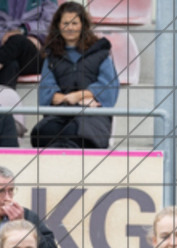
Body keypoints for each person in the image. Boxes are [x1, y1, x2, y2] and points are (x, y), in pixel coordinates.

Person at [31, 2, 118, 149]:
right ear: (58, 26)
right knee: (43, 133)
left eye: (74, 23)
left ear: (83, 25)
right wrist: (77, 98)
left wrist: (76, 96)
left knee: (75, 134)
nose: (70, 28)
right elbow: (47, 91)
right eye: (65, 23)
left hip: (92, 116)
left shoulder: (100, 52)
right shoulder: (52, 55)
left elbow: (109, 87)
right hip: (60, 113)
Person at [0, 0, 56, 89]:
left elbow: (51, 26)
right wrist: (5, 37)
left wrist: (24, 30)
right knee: (11, 64)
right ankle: (6, 102)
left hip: (32, 55)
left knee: (18, 40)